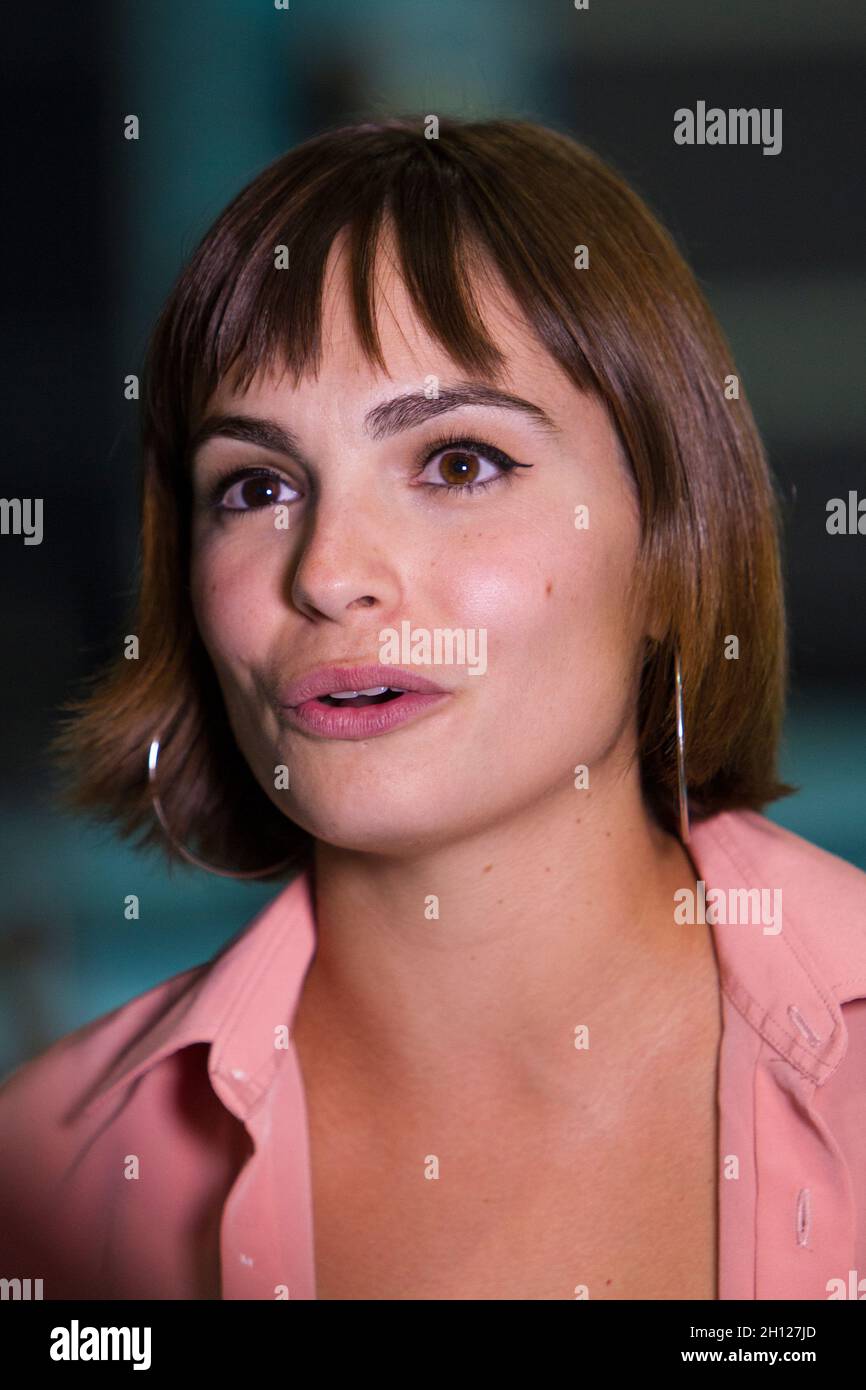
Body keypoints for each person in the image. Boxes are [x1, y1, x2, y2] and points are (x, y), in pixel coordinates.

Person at [1, 115, 865, 1302]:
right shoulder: (46, 1185)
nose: (327, 571)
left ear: (672, 544)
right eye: (255, 486)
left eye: (457, 462)